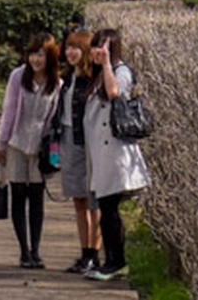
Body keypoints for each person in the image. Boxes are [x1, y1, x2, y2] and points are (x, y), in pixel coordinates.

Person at [81, 27, 149, 281]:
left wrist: (108, 64)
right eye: (97, 46)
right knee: (106, 209)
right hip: (101, 154)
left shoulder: (120, 72)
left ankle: (116, 262)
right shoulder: (98, 73)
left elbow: (114, 93)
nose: (100, 51)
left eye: (105, 47)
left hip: (116, 154)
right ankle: (111, 261)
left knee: (109, 210)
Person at [0, 33, 62, 268]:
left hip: (40, 149)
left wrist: (54, 153)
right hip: (16, 144)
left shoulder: (57, 83)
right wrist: (0, 144)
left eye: (41, 54)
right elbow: (9, 112)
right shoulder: (18, 77)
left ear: (50, 56)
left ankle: (36, 250)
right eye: (33, 54)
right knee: (18, 195)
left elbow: (54, 121)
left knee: (37, 199)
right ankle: (24, 251)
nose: (36, 59)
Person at [52, 29, 102, 273]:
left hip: (89, 145)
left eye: (76, 48)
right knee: (78, 201)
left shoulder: (92, 80)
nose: (70, 52)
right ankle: (85, 253)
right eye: (68, 47)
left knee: (94, 202)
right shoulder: (68, 78)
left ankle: (94, 254)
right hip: (69, 141)